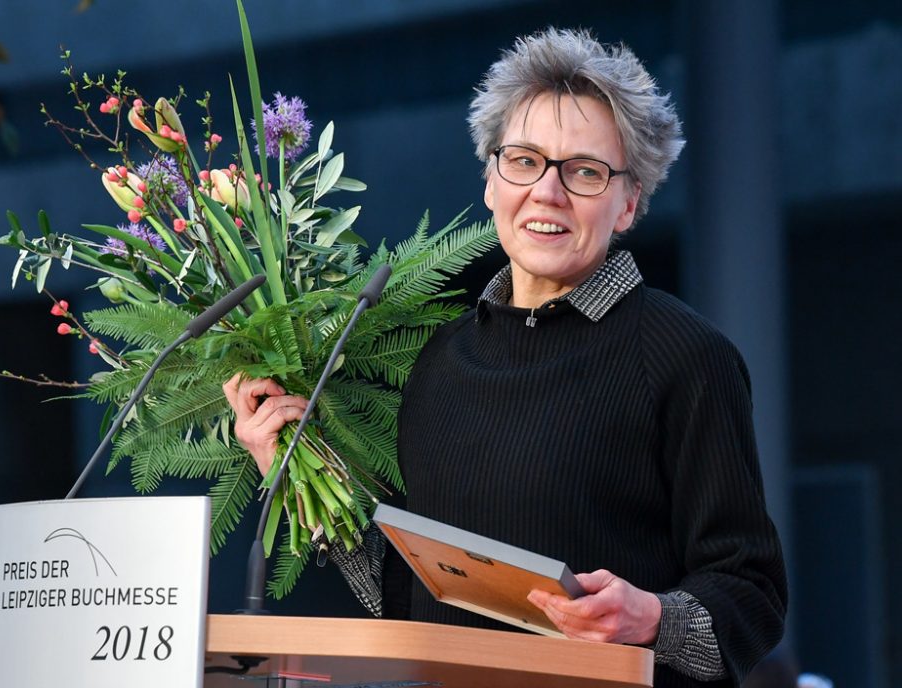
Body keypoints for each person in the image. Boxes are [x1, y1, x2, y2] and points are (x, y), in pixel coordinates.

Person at [223, 27, 787, 687]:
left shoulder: (686, 358)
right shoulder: (441, 362)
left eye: (583, 171)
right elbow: (414, 600)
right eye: (523, 160)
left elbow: (753, 596)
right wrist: (295, 469)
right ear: (491, 179)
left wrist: (651, 619)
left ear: (629, 201)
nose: (547, 192)